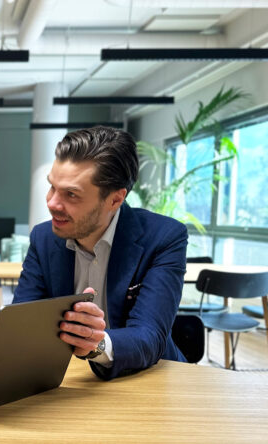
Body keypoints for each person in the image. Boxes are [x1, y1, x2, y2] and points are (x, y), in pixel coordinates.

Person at [12, 126, 187, 380]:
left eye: (71, 194)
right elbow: (21, 322)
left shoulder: (163, 238)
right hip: (67, 381)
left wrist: (97, 343)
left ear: (115, 200)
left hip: (148, 379)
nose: (51, 203)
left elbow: (150, 336)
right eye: (52, 187)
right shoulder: (44, 238)